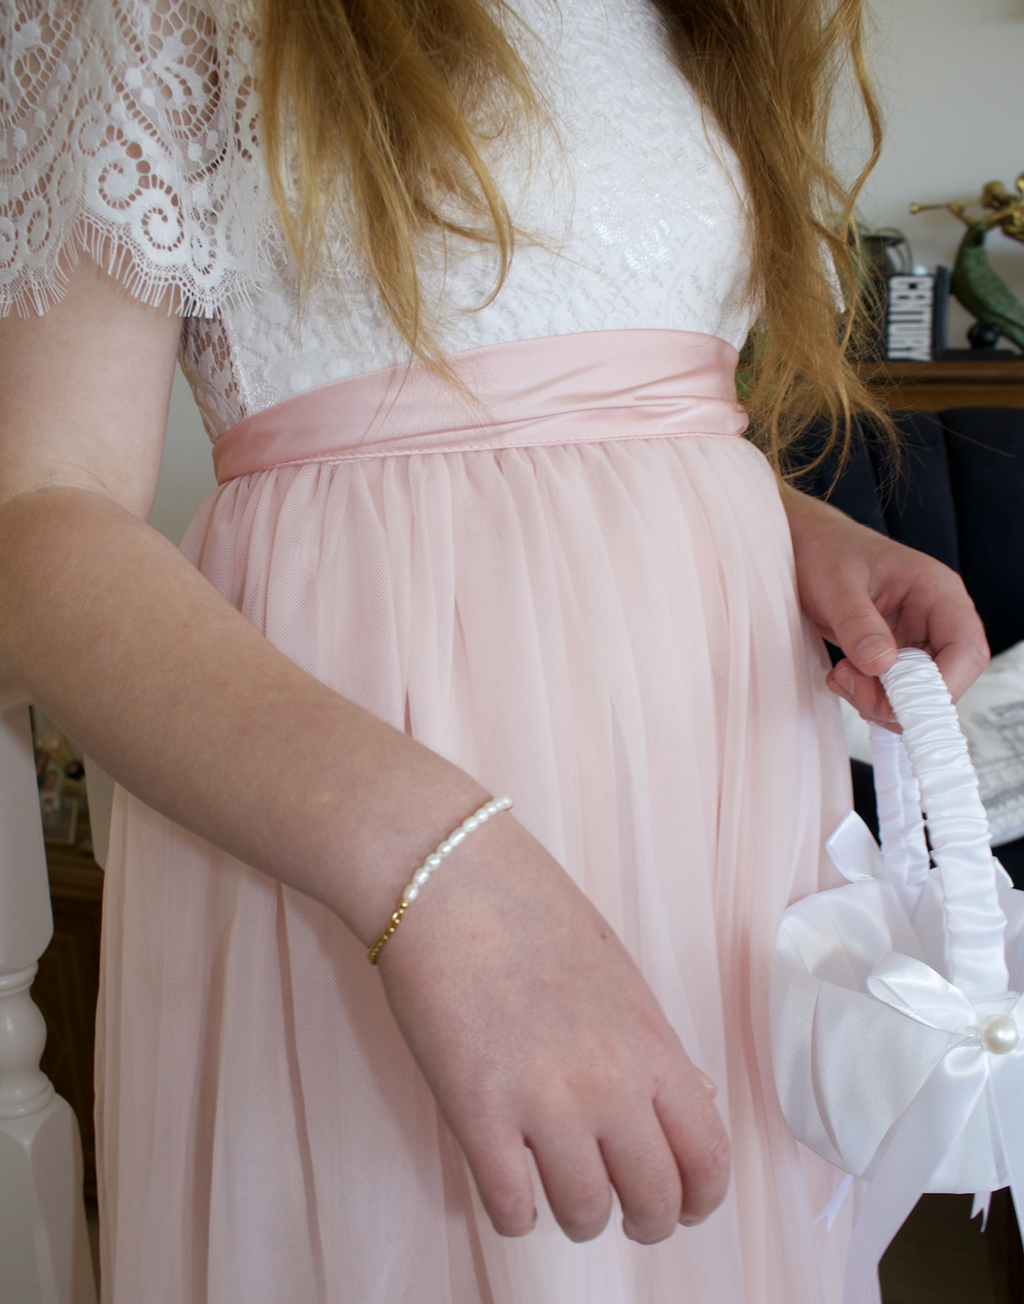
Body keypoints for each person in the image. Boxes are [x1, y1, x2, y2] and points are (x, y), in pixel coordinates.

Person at [0, 1, 987, 1301]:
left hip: (717, 799)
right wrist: (439, 871)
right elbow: (35, 516)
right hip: (374, 821)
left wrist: (779, 523)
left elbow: (588, 390)